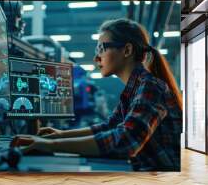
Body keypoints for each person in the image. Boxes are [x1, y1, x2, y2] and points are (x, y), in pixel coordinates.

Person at [11, 18, 183, 171]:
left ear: (127, 50)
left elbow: (125, 142)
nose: (96, 58)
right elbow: (109, 126)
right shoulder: (134, 89)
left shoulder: (150, 87)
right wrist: (60, 135)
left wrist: (49, 145)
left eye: (101, 48)